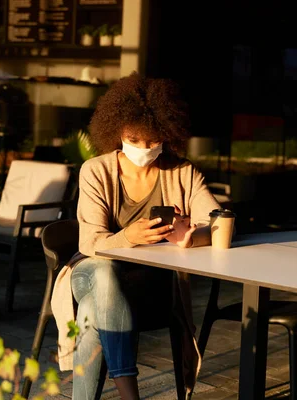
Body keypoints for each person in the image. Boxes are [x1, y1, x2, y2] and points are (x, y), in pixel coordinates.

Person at [50, 72, 221, 400]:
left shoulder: (182, 172)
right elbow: (89, 243)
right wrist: (128, 236)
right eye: (134, 139)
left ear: (166, 135)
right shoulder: (96, 171)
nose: (143, 148)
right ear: (117, 131)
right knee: (104, 272)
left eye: (152, 141)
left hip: (149, 285)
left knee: (92, 315)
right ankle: (131, 395)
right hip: (89, 271)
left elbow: (218, 221)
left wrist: (192, 236)